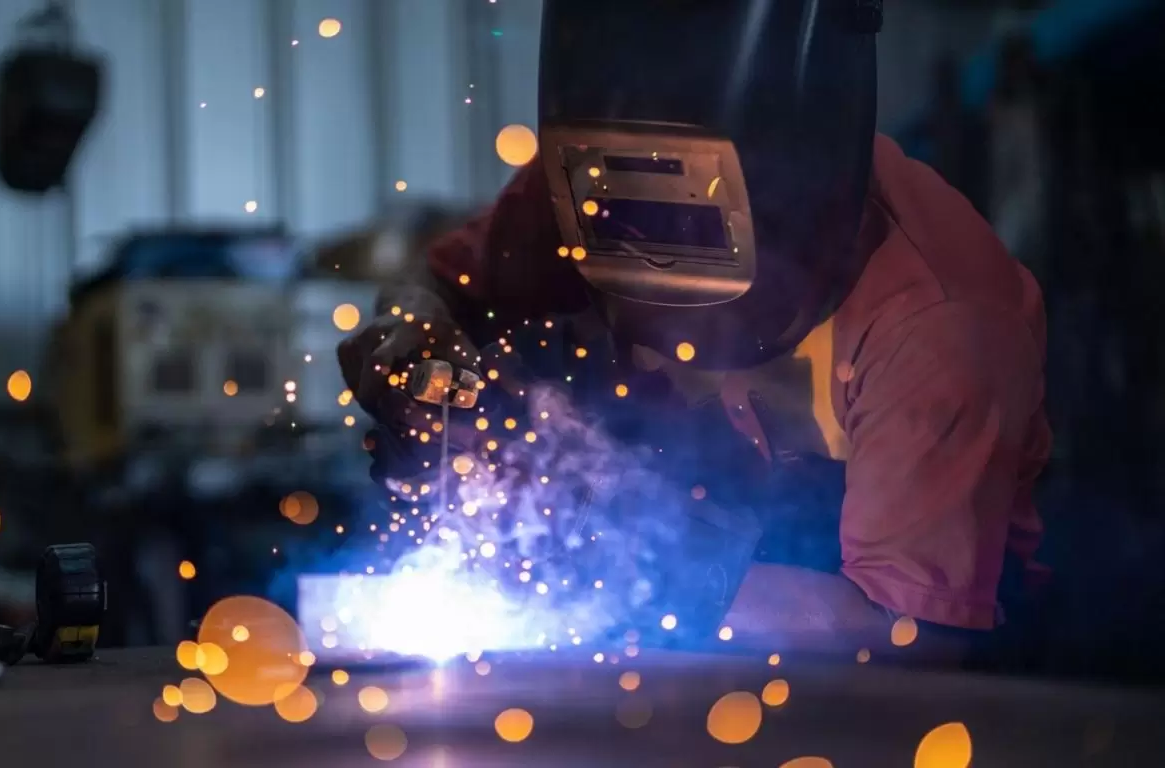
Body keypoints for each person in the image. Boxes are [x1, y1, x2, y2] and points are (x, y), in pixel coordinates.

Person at [339, 0, 1049, 666]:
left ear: (797, 209)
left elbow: (909, 640)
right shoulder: (603, 184)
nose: (652, 293)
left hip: (903, 682)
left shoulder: (940, 325)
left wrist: (628, 561)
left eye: (689, 233)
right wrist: (413, 345)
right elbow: (438, 289)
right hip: (672, 624)